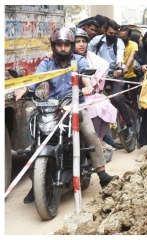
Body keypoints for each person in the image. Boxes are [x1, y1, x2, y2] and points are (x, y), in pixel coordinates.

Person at [15, 28, 118, 203]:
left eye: (66, 45)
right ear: (54, 46)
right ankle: (37, 184)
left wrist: (87, 86)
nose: (63, 48)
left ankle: (102, 174)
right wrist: (25, 87)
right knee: (37, 140)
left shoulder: (78, 60)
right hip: (54, 108)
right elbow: (36, 78)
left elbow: (85, 77)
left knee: (90, 134)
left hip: (76, 106)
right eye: (59, 45)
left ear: (71, 46)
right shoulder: (47, 62)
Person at [88, 20, 135, 142]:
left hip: (116, 74)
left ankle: (129, 124)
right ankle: (100, 133)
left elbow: (120, 56)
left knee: (116, 98)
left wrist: (119, 68)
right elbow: (88, 54)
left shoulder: (119, 42)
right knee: (95, 101)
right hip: (100, 75)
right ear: (105, 30)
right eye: (110, 33)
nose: (112, 35)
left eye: (115, 33)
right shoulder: (97, 40)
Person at [74, 28, 117, 152]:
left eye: (83, 41)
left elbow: (88, 75)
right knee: (95, 108)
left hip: (90, 93)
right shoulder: (66, 58)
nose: (81, 44)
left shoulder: (90, 58)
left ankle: (100, 139)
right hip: (73, 95)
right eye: (77, 42)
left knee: (109, 107)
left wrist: (90, 86)